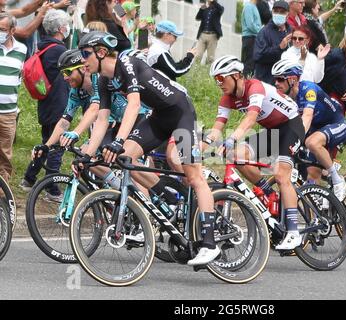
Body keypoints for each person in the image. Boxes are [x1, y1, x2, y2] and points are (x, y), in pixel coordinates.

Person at [78, 31, 220, 265]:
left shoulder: (126, 62)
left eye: (85, 54)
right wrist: (85, 155)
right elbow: (101, 121)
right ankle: (169, 197)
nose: (82, 60)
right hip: (159, 117)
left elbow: (133, 104)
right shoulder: (104, 80)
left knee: (194, 177)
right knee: (125, 159)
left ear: (101, 52)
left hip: (181, 112)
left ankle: (209, 242)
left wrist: (118, 141)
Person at [206, 55, 305, 250]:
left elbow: (251, 118)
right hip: (272, 132)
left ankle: (294, 232)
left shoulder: (255, 87)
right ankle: (268, 193)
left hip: (291, 126)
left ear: (235, 75)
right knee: (234, 156)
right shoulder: (228, 98)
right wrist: (202, 145)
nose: (219, 84)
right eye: (215, 79)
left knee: (280, 174)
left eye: (220, 78)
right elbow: (217, 128)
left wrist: (232, 138)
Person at [271, 59, 346, 200]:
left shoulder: (308, 90)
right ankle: (318, 214)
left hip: (336, 123)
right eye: (274, 79)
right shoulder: (285, 98)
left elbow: (307, 116)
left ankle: (337, 180)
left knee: (312, 142)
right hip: (316, 128)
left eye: (280, 79)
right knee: (312, 175)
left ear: (293, 79)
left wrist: (296, 138)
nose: (276, 83)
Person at [20, 9, 71, 192]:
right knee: (56, 146)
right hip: (59, 104)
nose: (68, 28)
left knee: (46, 143)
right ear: (60, 28)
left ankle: (29, 179)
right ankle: (52, 187)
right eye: (66, 25)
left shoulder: (43, 47)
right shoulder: (59, 50)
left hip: (46, 102)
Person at [0, 12, 26, 183]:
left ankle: (3, 196)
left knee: (5, 155)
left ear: (12, 30)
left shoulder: (22, 50)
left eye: (2, 29)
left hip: (9, 113)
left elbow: (22, 75)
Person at [253, 0, 292, 85]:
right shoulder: (264, 32)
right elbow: (258, 56)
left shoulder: (291, 31)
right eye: (276, 11)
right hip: (267, 80)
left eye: (282, 12)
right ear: (272, 12)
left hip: (286, 82)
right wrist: (279, 48)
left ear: (288, 15)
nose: (278, 14)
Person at [195, 0, 224, 64]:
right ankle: (195, 70)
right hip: (202, 35)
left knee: (210, 58)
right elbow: (197, 18)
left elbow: (221, 10)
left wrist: (213, 1)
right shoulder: (205, 9)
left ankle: (207, 72)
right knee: (198, 55)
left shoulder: (218, 9)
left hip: (212, 36)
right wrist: (201, 8)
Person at [241, 0, 262, 77]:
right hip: (250, 38)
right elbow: (250, 25)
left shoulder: (253, 7)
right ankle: (246, 84)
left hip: (252, 37)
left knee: (251, 63)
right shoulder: (249, 6)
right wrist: (260, 31)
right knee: (248, 63)